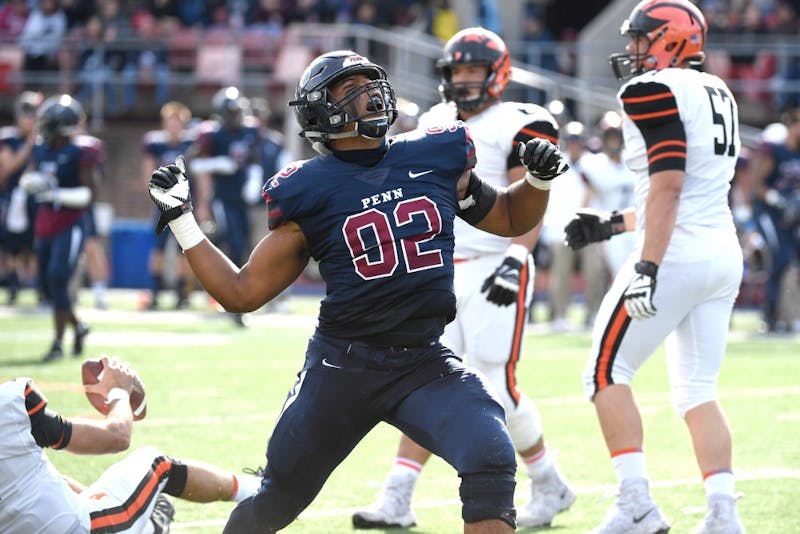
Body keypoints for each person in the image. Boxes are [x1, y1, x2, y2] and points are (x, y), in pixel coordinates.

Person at [146, 49, 568, 533]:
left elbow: (512, 217)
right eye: (349, 91)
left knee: (490, 451)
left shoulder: (435, 154)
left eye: (370, 84)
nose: (369, 96)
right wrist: (182, 221)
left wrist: (536, 179)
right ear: (317, 112)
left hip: (423, 360)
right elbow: (242, 293)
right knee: (277, 498)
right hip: (341, 367)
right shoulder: (307, 188)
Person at [351, 27, 575, 530]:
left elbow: (531, 195)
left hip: (497, 263)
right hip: (439, 268)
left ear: (497, 75)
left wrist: (519, 258)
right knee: (422, 379)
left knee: (495, 383)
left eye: (475, 70)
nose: (466, 80)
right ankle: (399, 494)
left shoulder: (522, 120)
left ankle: (546, 480)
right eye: (459, 71)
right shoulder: (435, 121)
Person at [564, 1, 746, 533]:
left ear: (670, 39)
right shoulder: (719, 92)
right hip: (719, 252)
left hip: (675, 254)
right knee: (697, 392)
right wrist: (613, 225)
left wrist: (646, 265)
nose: (632, 51)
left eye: (642, 39)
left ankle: (636, 504)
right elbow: (684, 191)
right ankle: (723, 514)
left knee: (603, 373)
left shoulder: (651, 89)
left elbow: (668, 184)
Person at [0, 354, 262, 533]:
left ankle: (147, 525)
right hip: (85, 529)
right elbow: (117, 436)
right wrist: (118, 391)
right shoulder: (9, 405)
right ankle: (259, 491)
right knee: (155, 463)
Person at [19, 95, 94, 362]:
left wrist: (54, 193)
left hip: (70, 223)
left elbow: (87, 195)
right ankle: (79, 326)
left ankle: (58, 342)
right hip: (45, 221)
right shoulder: (40, 148)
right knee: (48, 286)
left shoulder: (80, 150)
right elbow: (29, 174)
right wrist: (31, 182)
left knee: (58, 276)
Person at [142, 101, 198, 310]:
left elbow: (198, 175)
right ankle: (154, 291)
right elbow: (148, 175)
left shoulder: (191, 144)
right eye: (169, 121)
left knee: (185, 250)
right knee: (158, 249)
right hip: (162, 205)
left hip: (185, 204)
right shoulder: (155, 144)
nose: (173, 126)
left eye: (177, 122)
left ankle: (182, 293)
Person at [749, 108, 800, 333]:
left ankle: (786, 314)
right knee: (777, 257)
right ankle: (769, 315)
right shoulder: (776, 149)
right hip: (770, 212)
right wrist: (777, 200)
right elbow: (758, 184)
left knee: (790, 261)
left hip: (791, 215)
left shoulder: (796, 152)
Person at [0, 91, 42, 305]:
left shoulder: (42, 140)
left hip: (35, 197)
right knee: (12, 244)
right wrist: (29, 146)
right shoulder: (9, 138)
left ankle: (37, 285)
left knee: (35, 242)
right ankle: (13, 283)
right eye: (27, 115)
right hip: (12, 195)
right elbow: (7, 169)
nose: (30, 120)